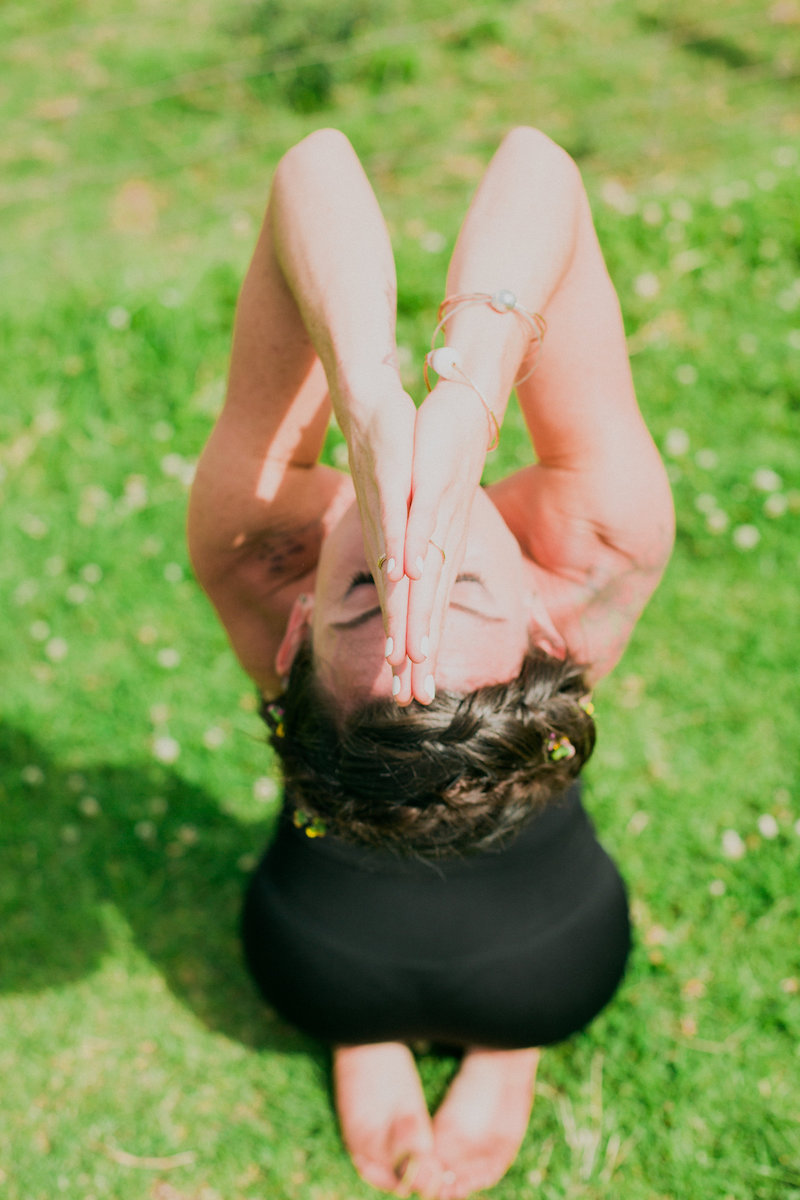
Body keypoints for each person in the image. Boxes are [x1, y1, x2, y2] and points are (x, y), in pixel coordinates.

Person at [187, 126, 674, 1199]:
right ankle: (504, 1051)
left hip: (315, 966)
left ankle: (367, 1041)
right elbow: (538, 166)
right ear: (550, 634)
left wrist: (369, 392)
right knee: (514, 1008)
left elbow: (308, 166)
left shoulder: (261, 558)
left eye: (371, 593)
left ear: (290, 638)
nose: (414, 550)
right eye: (451, 585)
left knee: (351, 1009)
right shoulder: (589, 564)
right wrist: (466, 394)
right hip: (554, 969)